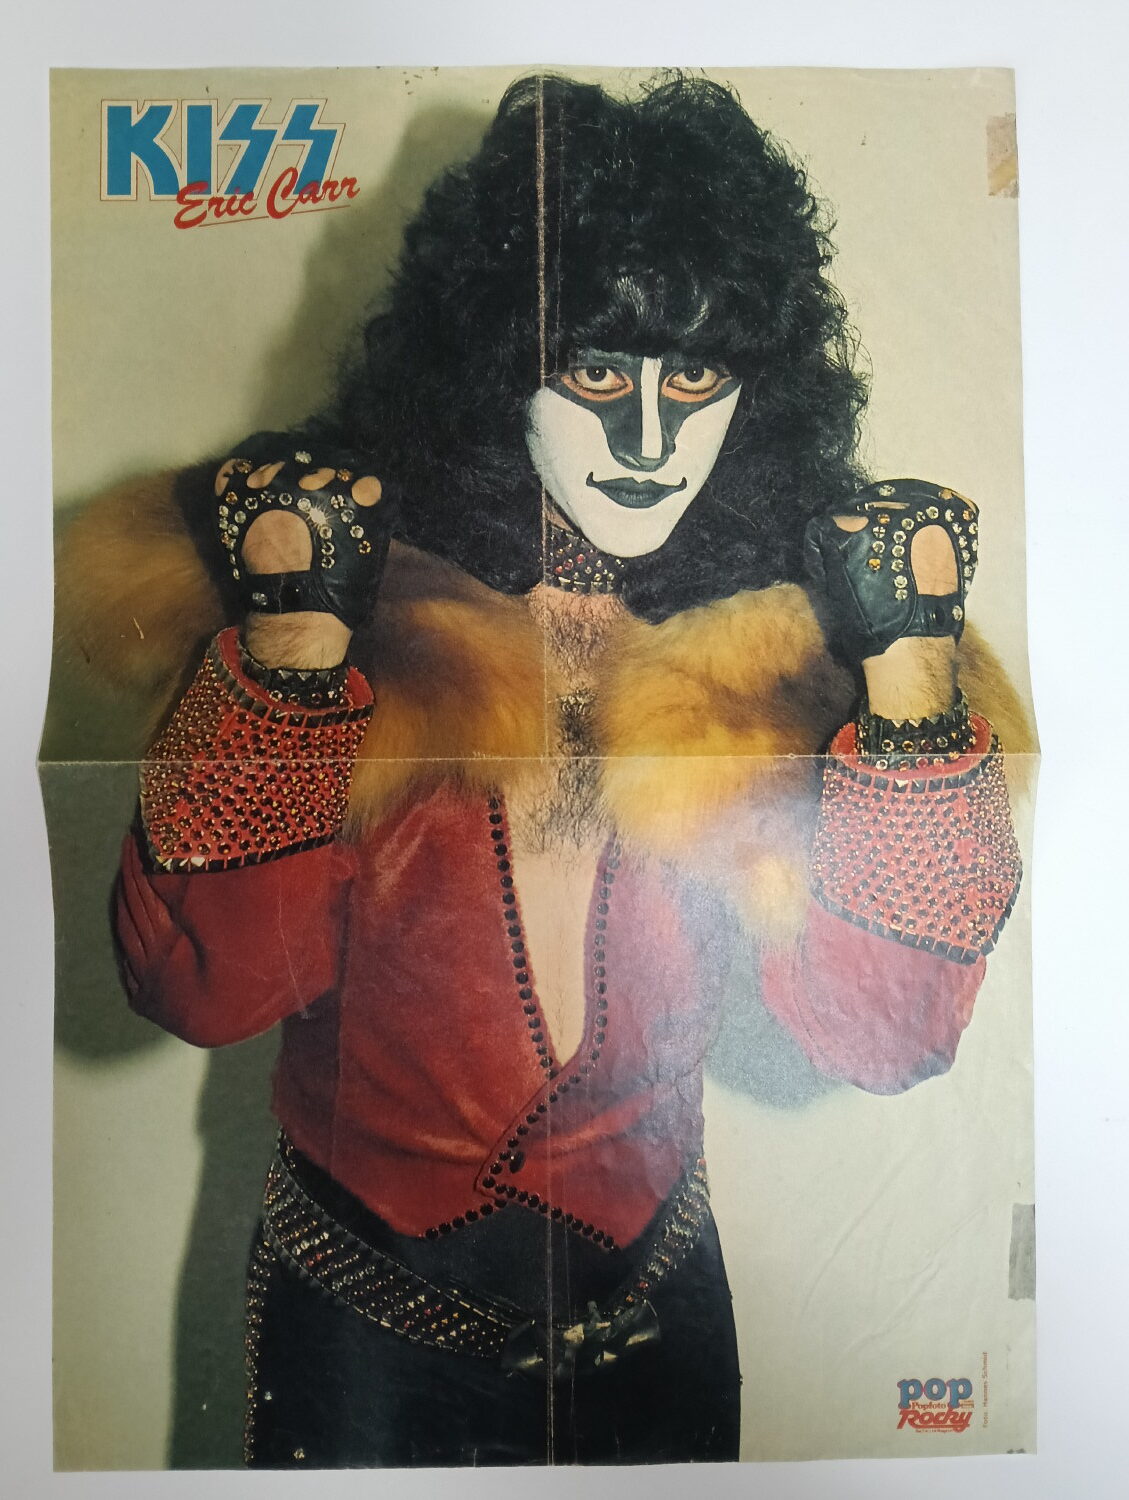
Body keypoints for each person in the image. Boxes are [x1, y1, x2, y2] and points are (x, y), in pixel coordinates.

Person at [61, 73, 1028, 1467]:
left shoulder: (789, 648)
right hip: (364, 1346)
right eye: (595, 373)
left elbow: (882, 1041)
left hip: (664, 1329)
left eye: (692, 378)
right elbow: (205, 992)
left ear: (756, 387)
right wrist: (293, 650)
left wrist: (909, 680)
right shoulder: (359, 598)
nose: (647, 441)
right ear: (492, 362)